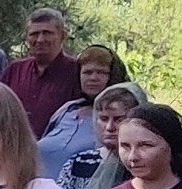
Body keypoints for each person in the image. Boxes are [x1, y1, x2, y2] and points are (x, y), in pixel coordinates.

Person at [35, 44, 124, 178]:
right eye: (87, 72)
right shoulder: (67, 110)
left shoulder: (119, 117)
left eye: (101, 72)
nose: (93, 78)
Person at [3, 8, 79, 135]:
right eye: (34, 34)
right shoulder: (14, 70)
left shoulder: (77, 72)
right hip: (16, 144)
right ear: (26, 37)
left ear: (63, 36)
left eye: (47, 33)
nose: (40, 40)